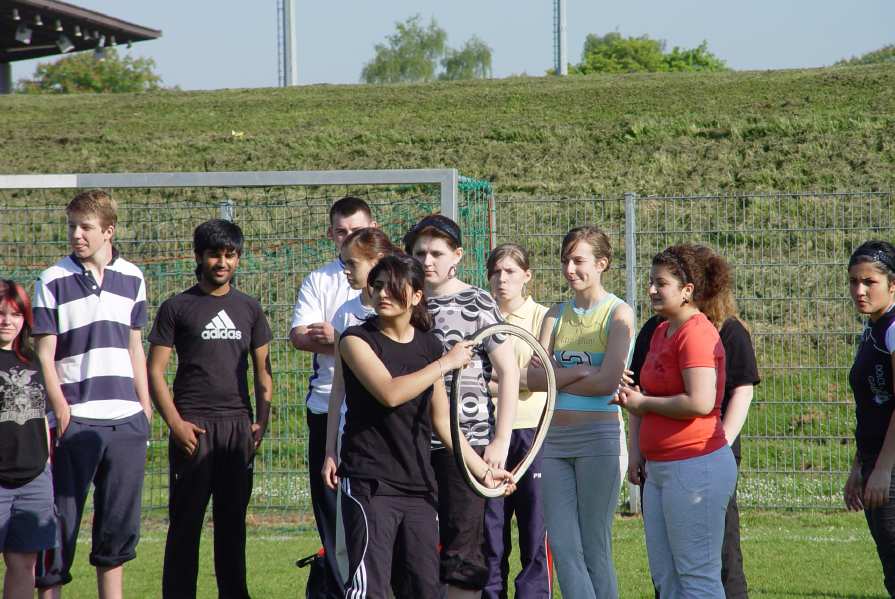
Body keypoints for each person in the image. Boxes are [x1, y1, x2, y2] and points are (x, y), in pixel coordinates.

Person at [327, 254, 515, 599]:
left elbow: (442, 422)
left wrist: (483, 471)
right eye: (377, 286)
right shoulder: (355, 340)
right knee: (371, 590)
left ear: (416, 296)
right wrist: (445, 363)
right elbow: (390, 393)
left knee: (425, 588)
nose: (382, 293)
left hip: (418, 487)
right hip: (370, 483)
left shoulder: (428, 345)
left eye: (393, 287)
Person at [33, 190, 153, 599]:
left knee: (117, 530)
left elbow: (135, 346)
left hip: (126, 422)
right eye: (72, 226)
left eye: (85, 227)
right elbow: (44, 355)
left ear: (108, 231)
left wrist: (145, 409)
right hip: (76, 420)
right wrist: (62, 411)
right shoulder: (51, 280)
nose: (76, 235)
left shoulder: (133, 276)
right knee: (58, 525)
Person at [148, 219, 274, 599]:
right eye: (214, 254)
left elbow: (263, 372)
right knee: (185, 525)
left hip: (236, 429)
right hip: (194, 428)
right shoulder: (176, 307)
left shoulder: (250, 308)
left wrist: (260, 422)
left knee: (232, 525)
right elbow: (154, 371)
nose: (222, 262)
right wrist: (176, 424)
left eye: (230, 255)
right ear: (199, 256)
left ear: (238, 258)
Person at [630, 249, 760, 599]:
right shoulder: (660, 331)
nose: (652, 290)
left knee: (697, 577)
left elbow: (701, 401)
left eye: (661, 283)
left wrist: (643, 403)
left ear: (687, 290)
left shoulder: (697, 332)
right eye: (651, 282)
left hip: (693, 465)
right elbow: (645, 389)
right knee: (666, 577)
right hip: (660, 467)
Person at [404, 214, 519, 599]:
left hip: (466, 443)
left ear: (457, 255)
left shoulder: (478, 301)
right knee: (415, 545)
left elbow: (508, 370)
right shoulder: (405, 303)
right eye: (420, 253)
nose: (427, 261)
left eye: (437, 253)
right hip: (413, 441)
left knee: (464, 545)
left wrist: (500, 440)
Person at [525, 226, 634, 599]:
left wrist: (558, 376)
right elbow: (533, 378)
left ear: (602, 263)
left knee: (593, 545)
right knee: (563, 545)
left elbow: (608, 383)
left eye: (578, 260)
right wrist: (582, 371)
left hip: (598, 441)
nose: (569, 269)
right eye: (565, 261)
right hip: (555, 441)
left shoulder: (618, 313)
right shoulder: (555, 314)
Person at [289, 196, 377, 599]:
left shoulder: (391, 279)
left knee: (373, 513)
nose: (348, 237)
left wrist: (339, 337)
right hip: (326, 406)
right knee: (330, 511)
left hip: (375, 410)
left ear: (373, 229)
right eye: (341, 231)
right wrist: (345, 341)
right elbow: (299, 335)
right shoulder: (320, 279)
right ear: (330, 234)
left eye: (356, 230)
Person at [482, 244, 551, 599]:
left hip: (532, 431)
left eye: (510, 271)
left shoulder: (543, 318)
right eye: (495, 272)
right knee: (490, 532)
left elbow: (543, 379)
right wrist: (515, 377)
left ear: (527, 276)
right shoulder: (481, 316)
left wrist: (503, 378)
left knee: (534, 528)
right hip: (490, 432)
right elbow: (473, 379)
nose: (502, 279)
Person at [321, 227, 399, 495]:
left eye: (352, 263)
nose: (346, 271)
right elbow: (339, 386)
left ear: (378, 261)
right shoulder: (345, 314)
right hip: (357, 439)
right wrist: (330, 450)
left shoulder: (406, 310)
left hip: (400, 435)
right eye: (344, 263)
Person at [843, 240, 895, 596]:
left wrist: (884, 468)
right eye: (853, 281)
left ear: (892, 285)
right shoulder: (873, 327)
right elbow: (872, 405)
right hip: (876, 460)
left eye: (869, 282)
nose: (859, 291)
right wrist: (859, 465)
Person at [0, 281, 57, 599]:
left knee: (24, 564)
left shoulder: (33, 361)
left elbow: (42, 418)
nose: (7, 321)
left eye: (15, 314)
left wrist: (45, 462)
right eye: (0, 313)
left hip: (34, 479)